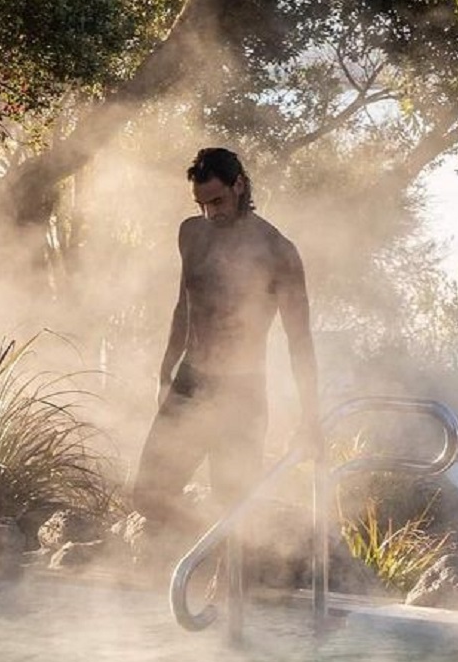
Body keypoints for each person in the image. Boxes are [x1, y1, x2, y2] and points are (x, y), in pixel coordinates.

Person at [131, 146, 320, 543]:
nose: (210, 212)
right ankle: (219, 545)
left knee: (233, 503)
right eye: (201, 204)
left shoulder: (278, 252)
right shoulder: (191, 234)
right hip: (191, 382)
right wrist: (166, 367)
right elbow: (184, 303)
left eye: (217, 201)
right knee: (148, 495)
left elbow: (299, 340)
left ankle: (230, 566)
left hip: (242, 392)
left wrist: (310, 416)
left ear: (239, 185)